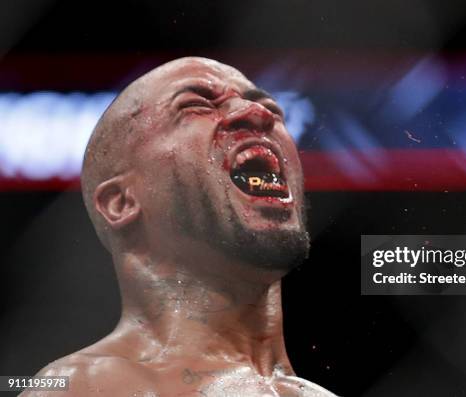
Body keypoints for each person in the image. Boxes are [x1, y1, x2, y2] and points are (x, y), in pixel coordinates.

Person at [22, 57, 336, 396]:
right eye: (196, 105)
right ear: (121, 202)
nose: (258, 115)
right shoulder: (80, 387)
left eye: (272, 109)